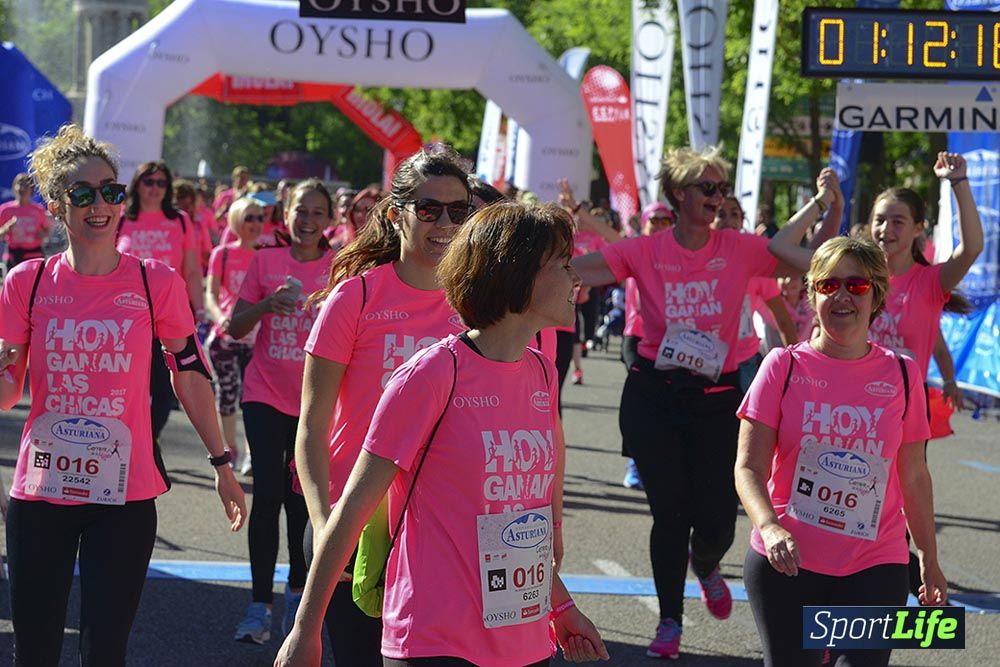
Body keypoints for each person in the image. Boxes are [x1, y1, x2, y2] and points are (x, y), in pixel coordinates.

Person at [275, 201, 608, 667]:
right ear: (519, 274)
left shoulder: (541, 373)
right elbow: (353, 508)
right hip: (435, 640)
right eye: (563, 265)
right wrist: (305, 628)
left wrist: (563, 607)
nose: (577, 279)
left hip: (524, 640)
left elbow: (512, 520)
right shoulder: (431, 375)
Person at [571, 146, 833, 659]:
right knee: (669, 514)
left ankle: (707, 563)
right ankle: (670, 620)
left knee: (717, 518)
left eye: (720, 188)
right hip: (655, 396)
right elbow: (580, 270)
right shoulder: (644, 250)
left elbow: (807, 258)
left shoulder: (739, 247)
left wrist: (828, 213)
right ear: (677, 194)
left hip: (718, 401)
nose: (717, 197)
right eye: (706, 188)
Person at [0, 124, 245, 667]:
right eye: (82, 194)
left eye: (110, 190)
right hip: (42, 492)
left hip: (125, 496)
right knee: (35, 651)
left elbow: (189, 372)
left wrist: (221, 462)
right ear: (58, 204)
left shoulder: (153, 281)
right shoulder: (28, 282)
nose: (100, 204)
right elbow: (6, 395)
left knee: (105, 651)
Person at [768, 154, 982, 596]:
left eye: (899, 221)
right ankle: (832, 604)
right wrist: (829, 205)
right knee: (837, 501)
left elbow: (972, 250)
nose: (887, 230)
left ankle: (890, 575)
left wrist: (958, 182)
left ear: (919, 228)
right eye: (880, 220)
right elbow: (780, 247)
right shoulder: (848, 272)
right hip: (829, 400)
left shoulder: (929, 282)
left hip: (893, 408)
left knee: (895, 496)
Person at [295, 147, 474, 666]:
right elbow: (311, 426)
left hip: (443, 528)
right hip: (357, 521)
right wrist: (325, 520)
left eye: (458, 211)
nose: (444, 222)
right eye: (428, 209)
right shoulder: (356, 298)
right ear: (396, 215)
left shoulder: (478, 304)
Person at [735, 236, 945, 667]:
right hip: (788, 565)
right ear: (812, 294)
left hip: (875, 565)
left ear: (876, 296)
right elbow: (748, 468)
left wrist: (928, 558)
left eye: (857, 286)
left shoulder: (904, 374)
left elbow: (915, 476)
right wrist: (770, 528)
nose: (843, 296)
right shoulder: (782, 366)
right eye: (829, 286)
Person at [227, 179, 336, 644]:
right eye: (299, 211)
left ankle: (296, 600)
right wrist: (268, 305)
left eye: (317, 212)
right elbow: (234, 327)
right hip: (265, 394)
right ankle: (258, 605)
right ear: (285, 216)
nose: (307, 220)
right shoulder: (265, 260)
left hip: (316, 403)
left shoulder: (342, 268)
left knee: (301, 504)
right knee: (267, 494)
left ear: (330, 220)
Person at [116, 161, 205, 443]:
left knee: (167, 391)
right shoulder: (121, 219)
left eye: (161, 183)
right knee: (129, 387)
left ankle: (146, 439)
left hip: (168, 318)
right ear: (137, 184)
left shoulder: (179, 220)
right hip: (126, 320)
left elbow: (191, 269)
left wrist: (199, 306)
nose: (154, 188)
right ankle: (133, 440)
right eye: (148, 182)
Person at [712, 196, 798, 390]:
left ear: (742, 221)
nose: (728, 220)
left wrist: (797, 364)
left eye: (735, 214)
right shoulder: (698, 262)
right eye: (720, 214)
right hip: (705, 361)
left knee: (745, 420)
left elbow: (783, 320)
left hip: (745, 363)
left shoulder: (754, 264)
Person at [204, 197, 264, 474]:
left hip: (258, 339)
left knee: (253, 399)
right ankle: (230, 448)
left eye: (259, 218)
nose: (254, 224)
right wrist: (220, 319)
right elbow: (211, 295)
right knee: (227, 395)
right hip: (226, 338)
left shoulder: (267, 254)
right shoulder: (223, 254)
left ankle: (253, 452)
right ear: (236, 220)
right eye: (248, 217)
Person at [0, 173, 52, 269]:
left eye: (26, 185)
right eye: (19, 184)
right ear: (14, 188)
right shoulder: (5, 210)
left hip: (34, 256)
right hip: (13, 256)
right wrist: (7, 228)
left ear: (31, 189)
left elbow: (47, 232)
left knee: (37, 284)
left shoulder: (39, 210)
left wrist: (42, 234)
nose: (22, 188)